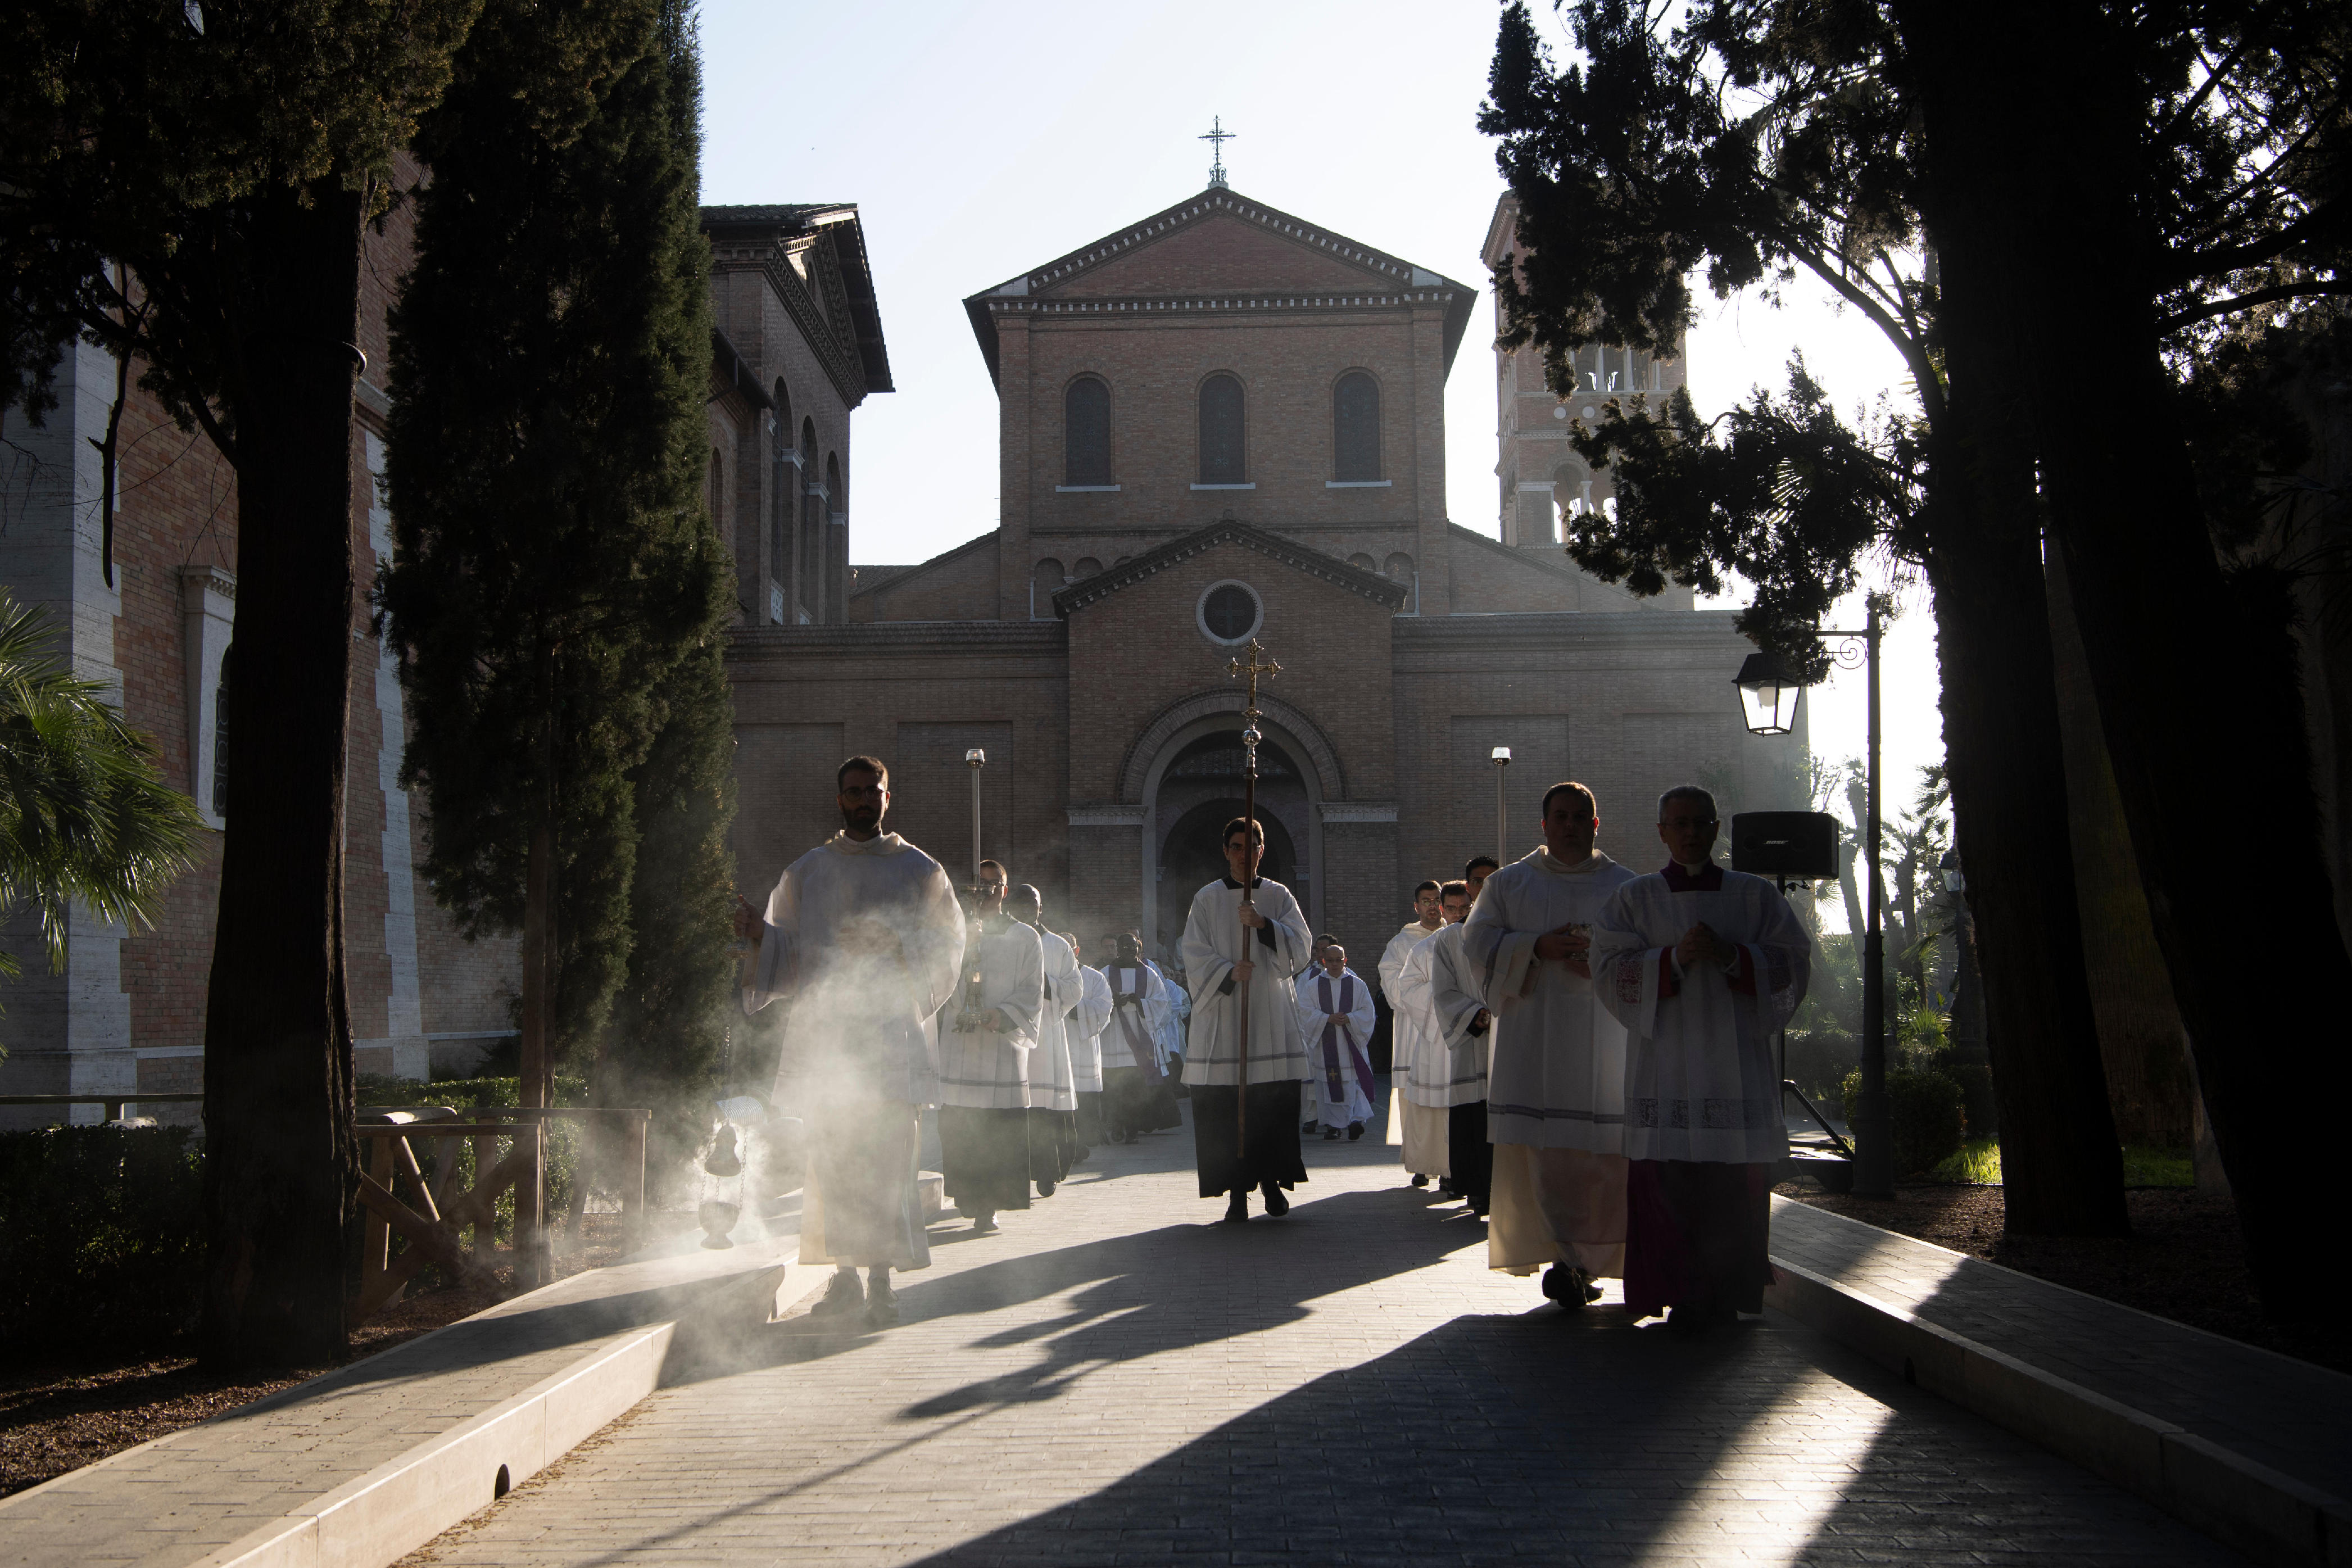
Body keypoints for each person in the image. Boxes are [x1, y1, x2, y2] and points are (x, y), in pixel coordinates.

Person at [735, 755, 964, 1327]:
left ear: (890, 797)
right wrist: (760, 936)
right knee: (834, 1164)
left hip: (890, 1041)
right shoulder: (807, 872)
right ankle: (843, 1278)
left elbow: (951, 949)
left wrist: (897, 949)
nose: (863, 800)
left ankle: (882, 1281)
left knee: (888, 1165)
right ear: (839, 800)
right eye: (854, 791)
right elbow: (788, 955)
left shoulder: (920, 872)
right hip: (829, 1044)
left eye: (873, 791)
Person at [1593, 785, 1811, 1334]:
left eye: (1701, 823)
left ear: (1717, 830)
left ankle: (1728, 1292)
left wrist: (1734, 956)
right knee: (1668, 1186)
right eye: (1679, 823)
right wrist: (1672, 960)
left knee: (1731, 1188)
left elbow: (1793, 962)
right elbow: (1607, 968)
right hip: (1663, 1064)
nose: (1691, 832)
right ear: (1662, 832)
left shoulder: (1754, 896)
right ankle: (1679, 1292)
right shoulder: (1635, 899)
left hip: (1734, 1063)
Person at [1462, 781, 1640, 1308]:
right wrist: (1535, 946)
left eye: (1580, 816)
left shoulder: (1626, 887)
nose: (1570, 825)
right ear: (1543, 825)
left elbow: (1644, 955)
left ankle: (1592, 1259)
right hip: (1534, 1042)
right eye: (1560, 817)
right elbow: (1475, 945)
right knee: (1547, 1159)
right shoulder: (1510, 885)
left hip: (1606, 1044)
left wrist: (1604, 963)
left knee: (1607, 1161)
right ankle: (1566, 1259)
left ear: (1595, 823)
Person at [1181, 815, 1313, 1222]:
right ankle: (1236, 1193)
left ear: (1261, 850)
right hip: (1226, 1012)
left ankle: (1272, 1183)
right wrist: (1225, 971)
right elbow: (1193, 951)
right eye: (1235, 847)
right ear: (1225, 852)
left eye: (1250, 847)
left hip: (1269, 1013)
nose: (1243, 855)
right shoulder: (1207, 898)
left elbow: (1302, 947)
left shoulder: (1277, 895)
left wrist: (1264, 925)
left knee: (1268, 1103)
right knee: (1228, 1107)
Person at [935, 860, 1044, 1236]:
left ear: (1005, 889)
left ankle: (990, 1207)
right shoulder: (955, 934)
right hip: (962, 1047)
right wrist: (962, 1006)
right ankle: (968, 1195)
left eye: (993, 885)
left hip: (1000, 1047)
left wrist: (1000, 1014)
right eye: (978, 885)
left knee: (997, 1131)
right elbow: (938, 980)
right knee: (963, 1127)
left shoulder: (1025, 938)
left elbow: (1032, 990)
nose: (985, 892)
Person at [1410, 878, 1497, 1217]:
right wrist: (1473, 1014)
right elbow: (1434, 991)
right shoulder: (1441, 942)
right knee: (1473, 1120)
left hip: (1502, 1040)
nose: (1462, 912)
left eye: (1467, 906)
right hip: (1465, 1036)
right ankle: (1475, 1188)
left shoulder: (1502, 931)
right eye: (1454, 908)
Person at [1010, 883, 1082, 1193]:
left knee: (1043, 1106)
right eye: (1021, 904)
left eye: (1033, 904)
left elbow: (1076, 988)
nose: (1027, 910)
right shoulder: (1004, 940)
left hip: (1047, 1036)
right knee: (1014, 1106)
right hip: (1011, 1033)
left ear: (1041, 908)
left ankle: (1047, 1169)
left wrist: (1045, 984)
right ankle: (1014, 1172)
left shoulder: (1057, 946)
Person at [1381, 881, 1446, 1184]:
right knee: (1416, 1101)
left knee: (1448, 1100)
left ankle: (1449, 1166)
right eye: (1426, 901)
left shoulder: (1458, 935)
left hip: (1448, 1032)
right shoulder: (1401, 943)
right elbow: (1395, 988)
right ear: (1416, 906)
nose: (1433, 906)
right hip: (1414, 1031)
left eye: (1437, 900)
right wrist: (1432, 997)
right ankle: (1421, 1163)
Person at [1100, 931, 1182, 1142]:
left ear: (1139, 948)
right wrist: (1112, 1005)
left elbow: (1162, 1005)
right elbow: (1097, 1003)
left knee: (1136, 1087)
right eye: (1124, 947)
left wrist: (1141, 1003)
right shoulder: (1105, 973)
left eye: (1133, 947)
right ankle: (1118, 1124)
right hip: (1114, 1037)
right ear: (1118, 949)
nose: (1128, 951)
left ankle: (1133, 1129)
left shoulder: (1149, 974)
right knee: (1115, 1086)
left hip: (1140, 1038)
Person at [1295, 942, 1377, 1140]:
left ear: (1345, 961)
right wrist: (1326, 1019)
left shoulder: (1358, 985)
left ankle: (1354, 1121)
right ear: (1324, 961)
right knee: (1327, 1086)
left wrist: (1351, 1018)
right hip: (1325, 1047)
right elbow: (1304, 1011)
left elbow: (1368, 1013)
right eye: (1330, 960)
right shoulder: (1312, 985)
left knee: (1351, 1084)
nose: (1334, 964)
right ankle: (1334, 1125)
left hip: (1350, 1046)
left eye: (1338, 960)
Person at [1067, 933, 1112, 1150]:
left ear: (1077, 951)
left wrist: (1078, 1010)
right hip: (1059, 1047)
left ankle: (1085, 1141)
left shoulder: (1094, 978)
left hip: (1084, 1047)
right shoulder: (1045, 976)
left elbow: (1105, 1008)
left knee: (1084, 1099)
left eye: (1068, 948)